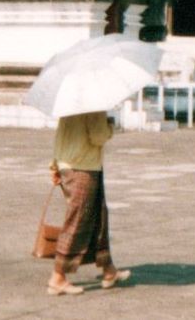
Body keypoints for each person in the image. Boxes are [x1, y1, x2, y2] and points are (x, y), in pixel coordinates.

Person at [46, 111, 130, 295]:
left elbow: (61, 136)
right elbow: (98, 137)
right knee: (78, 220)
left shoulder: (71, 105)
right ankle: (58, 276)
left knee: (98, 217)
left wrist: (55, 164)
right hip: (84, 168)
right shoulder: (94, 107)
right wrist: (109, 126)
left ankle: (108, 269)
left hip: (69, 164)